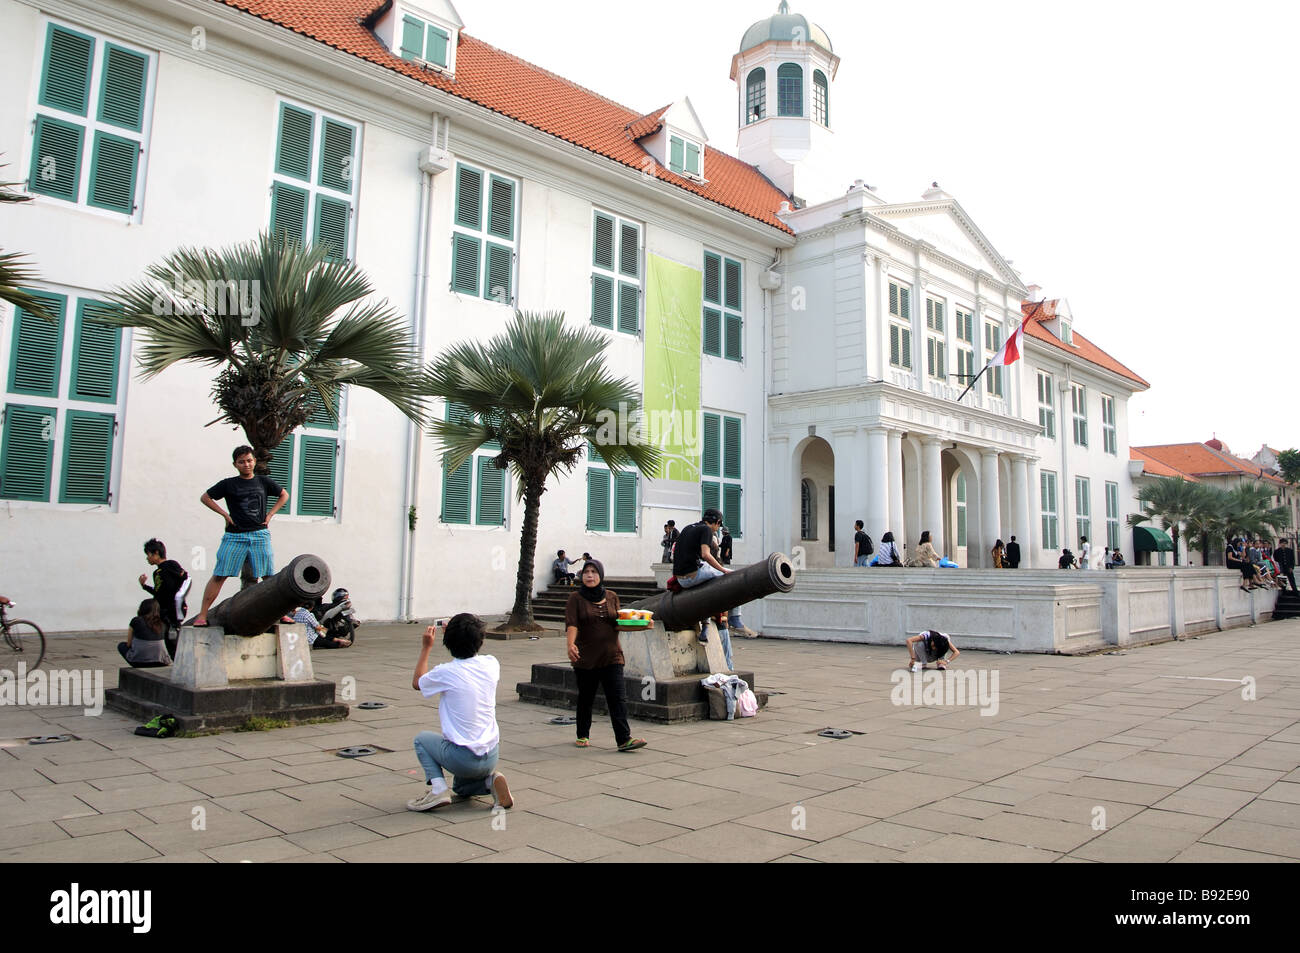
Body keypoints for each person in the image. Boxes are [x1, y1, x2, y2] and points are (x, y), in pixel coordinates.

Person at [408, 614, 513, 812]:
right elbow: (469, 654)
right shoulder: (491, 664)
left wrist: (426, 647)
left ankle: (438, 790)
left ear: (447, 641)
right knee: (460, 788)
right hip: (490, 755)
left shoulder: (445, 672)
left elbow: (417, 682)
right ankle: (491, 782)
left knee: (421, 739)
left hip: (462, 758)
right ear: (480, 640)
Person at [194, 446, 288, 626]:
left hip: (260, 535)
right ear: (235, 464)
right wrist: (225, 515)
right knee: (220, 574)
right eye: (242, 462)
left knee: (269, 576)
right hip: (234, 536)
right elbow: (205, 497)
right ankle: (202, 615)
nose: (246, 464)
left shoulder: (263, 481)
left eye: (249, 460)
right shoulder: (228, 484)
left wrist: (269, 515)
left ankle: (281, 613)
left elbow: (284, 495)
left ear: (254, 461)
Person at [565, 559, 647, 752]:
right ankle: (582, 734)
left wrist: (641, 625)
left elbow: (617, 623)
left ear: (600, 575)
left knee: (617, 697)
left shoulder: (611, 596)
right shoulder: (575, 599)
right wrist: (570, 645)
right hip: (585, 657)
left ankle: (623, 739)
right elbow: (572, 624)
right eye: (586, 572)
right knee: (586, 697)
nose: (590, 575)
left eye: (594, 572)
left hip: (612, 655)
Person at [138, 538, 189, 658]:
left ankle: (181, 659)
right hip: (163, 609)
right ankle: (176, 661)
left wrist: (179, 598)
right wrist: (144, 586)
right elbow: (158, 592)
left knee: (173, 636)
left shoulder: (170, 565)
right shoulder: (156, 573)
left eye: (148, 554)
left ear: (156, 553)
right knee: (167, 638)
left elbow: (185, 578)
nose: (147, 558)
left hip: (174, 608)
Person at [672, 509, 729, 590]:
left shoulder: (688, 527)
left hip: (680, 579)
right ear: (718, 522)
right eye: (719, 526)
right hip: (691, 578)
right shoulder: (707, 530)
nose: (717, 529)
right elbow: (705, 554)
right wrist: (723, 570)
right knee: (731, 573)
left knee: (707, 565)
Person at [119, 599, 172, 668]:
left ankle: (140, 656)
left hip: (138, 662)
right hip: (161, 662)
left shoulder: (136, 620)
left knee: (121, 645)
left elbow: (129, 643)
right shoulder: (162, 623)